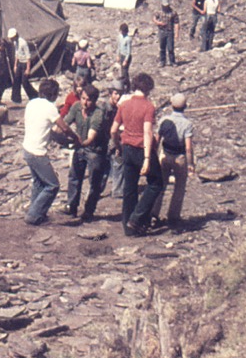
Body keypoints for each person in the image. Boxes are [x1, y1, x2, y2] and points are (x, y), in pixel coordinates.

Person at [110, 72, 163, 236]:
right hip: (141, 148)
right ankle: (137, 218)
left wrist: (118, 145)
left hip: (126, 148)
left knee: (130, 187)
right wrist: (147, 158)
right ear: (148, 89)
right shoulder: (148, 106)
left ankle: (128, 227)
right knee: (156, 183)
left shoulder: (124, 104)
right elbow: (147, 132)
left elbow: (113, 130)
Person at [62, 83, 111, 222]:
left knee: (94, 181)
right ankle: (71, 206)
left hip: (95, 150)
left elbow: (90, 138)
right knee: (74, 176)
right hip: (80, 147)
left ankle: (89, 211)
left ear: (94, 101)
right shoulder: (77, 107)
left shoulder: (98, 114)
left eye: (88, 100)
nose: (85, 102)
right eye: (83, 98)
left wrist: (77, 141)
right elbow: (65, 123)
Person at [22, 79, 66, 226]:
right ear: (53, 94)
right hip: (37, 152)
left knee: (39, 183)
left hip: (27, 148)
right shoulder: (50, 108)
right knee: (53, 185)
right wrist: (75, 138)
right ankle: (34, 215)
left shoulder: (31, 103)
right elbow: (64, 128)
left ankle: (35, 213)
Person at [154, 93, 195, 231]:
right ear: (185, 106)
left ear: (171, 105)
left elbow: (157, 139)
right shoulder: (187, 124)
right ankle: (173, 216)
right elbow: (188, 148)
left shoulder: (164, 120)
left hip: (164, 154)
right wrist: (190, 164)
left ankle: (154, 214)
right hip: (179, 157)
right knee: (179, 187)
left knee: (160, 185)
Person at [9, 28, 38, 103]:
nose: (11, 40)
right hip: (20, 63)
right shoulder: (15, 43)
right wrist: (15, 65)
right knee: (16, 80)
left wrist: (28, 69)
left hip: (25, 63)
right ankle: (16, 98)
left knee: (24, 82)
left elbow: (28, 56)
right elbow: (17, 54)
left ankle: (34, 96)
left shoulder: (23, 43)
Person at [153, 0, 180, 67]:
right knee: (162, 47)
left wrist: (177, 33)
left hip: (170, 32)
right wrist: (159, 23)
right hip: (161, 31)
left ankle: (172, 61)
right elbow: (154, 18)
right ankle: (162, 61)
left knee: (170, 48)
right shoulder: (158, 11)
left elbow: (176, 23)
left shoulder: (173, 12)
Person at [115, 24, 133, 90]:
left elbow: (129, 51)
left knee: (125, 72)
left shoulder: (128, 39)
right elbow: (119, 46)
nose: (121, 32)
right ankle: (124, 85)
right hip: (121, 55)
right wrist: (117, 55)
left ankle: (127, 86)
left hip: (126, 57)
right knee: (122, 71)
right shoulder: (120, 37)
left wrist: (126, 60)